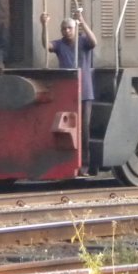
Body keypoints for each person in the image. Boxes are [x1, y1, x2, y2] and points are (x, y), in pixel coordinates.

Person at [40, 9, 97, 168]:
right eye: (64, 28)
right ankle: (67, 162)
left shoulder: (83, 42)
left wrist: (82, 22)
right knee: (66, 128)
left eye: (69, 28)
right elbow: (46, 45)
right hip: (67, 92)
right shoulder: (59, 44)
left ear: (75, 29)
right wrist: (44, 25)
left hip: (85, 92)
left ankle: (84, 163)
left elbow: (94, 42)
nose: (67, 31)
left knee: (84, 129)